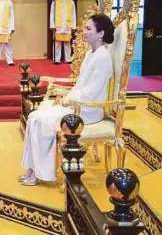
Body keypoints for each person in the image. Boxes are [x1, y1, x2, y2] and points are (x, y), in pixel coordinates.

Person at [20, 14, 115, 186]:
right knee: (34, 117)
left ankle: (40, 172)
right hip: (78, 105)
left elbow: (92, 92)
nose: (83, 32)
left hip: (89, 110)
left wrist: (67, 99)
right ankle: (33, 169)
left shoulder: (103, 57)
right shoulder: (90, 54)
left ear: (100, 34)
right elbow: (81, 85)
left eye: (88, 29)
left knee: (40, 120)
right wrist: (66, 95)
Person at [50, 0, 76, 64]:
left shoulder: (71, 2)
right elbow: (52, 15)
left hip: (68, 26)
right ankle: (56, 59)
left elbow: (73, 15)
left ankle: (68, 59)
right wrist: (52, 25)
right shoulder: (55, 2)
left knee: (67, 43)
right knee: (57, 44)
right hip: (58, 26)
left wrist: (73, 26)